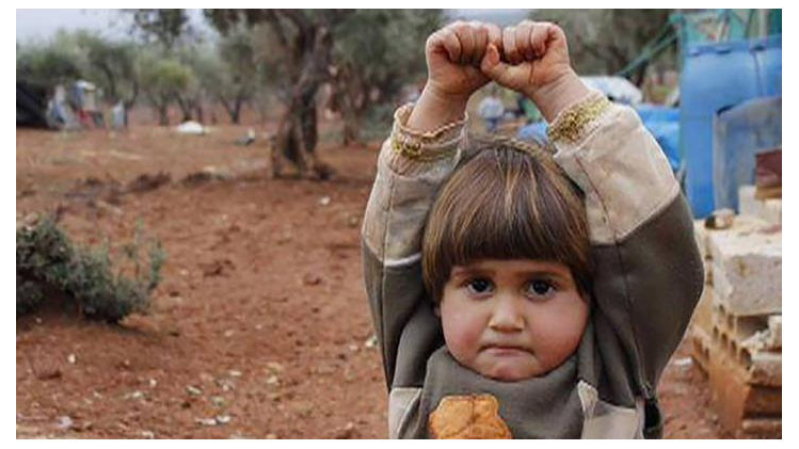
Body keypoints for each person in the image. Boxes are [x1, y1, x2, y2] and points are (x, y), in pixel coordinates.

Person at [361, 20, 703, 439]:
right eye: (479, 285)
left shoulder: (613, 365)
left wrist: (558, 88)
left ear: (591, 296)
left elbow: (653, 232)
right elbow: (397, 229)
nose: (505, 320)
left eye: (540, 287)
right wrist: (442, 100)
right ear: (436, 298)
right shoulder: (417, 359)